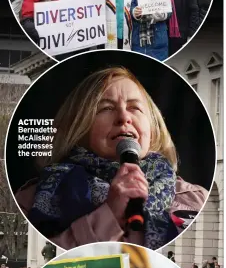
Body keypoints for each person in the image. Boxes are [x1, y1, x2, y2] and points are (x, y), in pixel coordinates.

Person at [16, 66, 179, 251]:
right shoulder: (30, 200)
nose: (124, 117)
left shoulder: (193, 198)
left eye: (134, 107)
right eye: (106, 108)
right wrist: (109, 214)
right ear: (79, 126)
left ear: (153, 127)